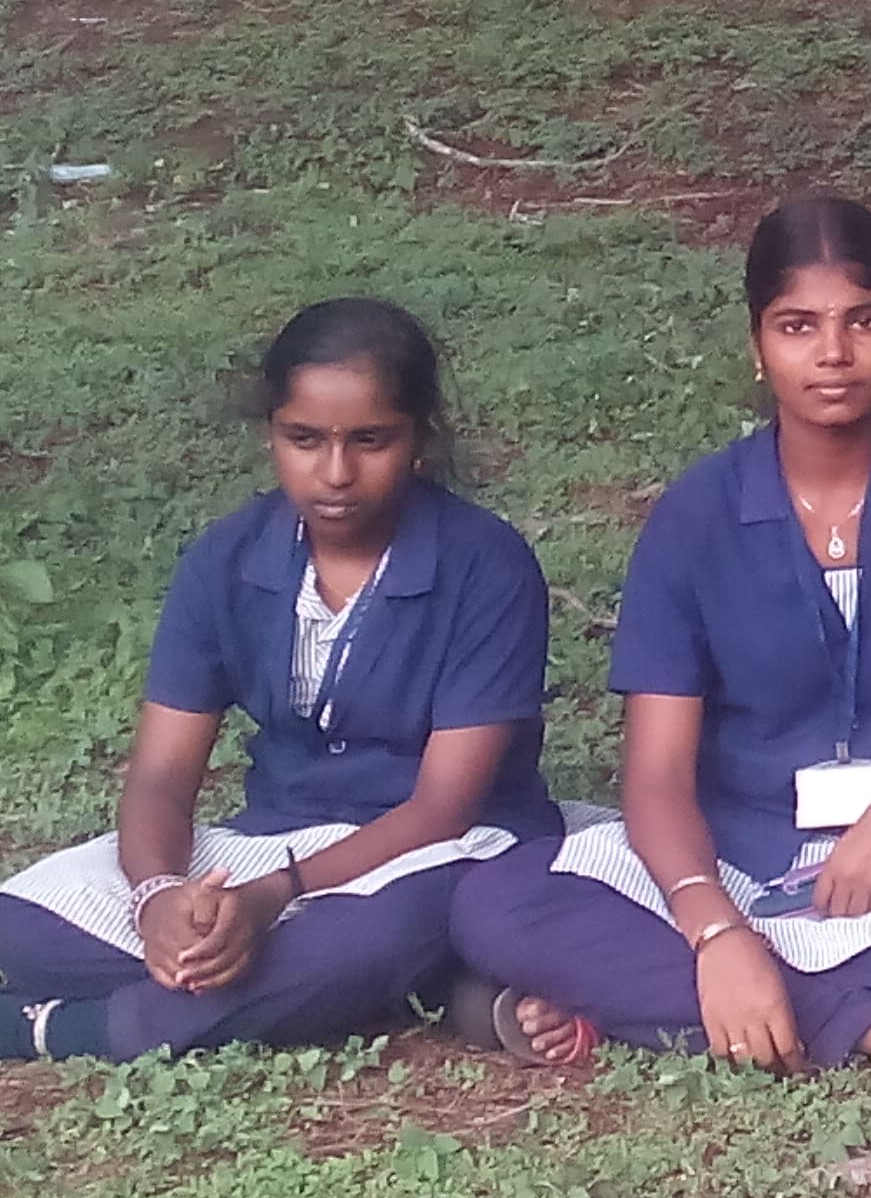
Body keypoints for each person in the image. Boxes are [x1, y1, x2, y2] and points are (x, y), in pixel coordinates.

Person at [448, 196, 871, 1072]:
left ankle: (683, 1004)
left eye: (864, 321)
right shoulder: (697, 517)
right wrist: (716, 932)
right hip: (747, 863)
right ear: (757, 343)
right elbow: (656, 779)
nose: (833, 353)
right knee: (499, 901)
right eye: (797, 326)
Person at [0, 301, 557, 1062]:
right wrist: (158, 897)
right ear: (272, 433)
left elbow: (442, 805)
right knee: (19, 925)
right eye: (305, 439)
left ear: (420, 439)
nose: (335, 472)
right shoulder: (227, 559)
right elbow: (162, 775)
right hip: (275, 837)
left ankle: (69, 1028)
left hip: (440, 849)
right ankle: (425, 985)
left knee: (368, 940)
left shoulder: (484, 565)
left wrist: (272, 898)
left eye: (370, 440)